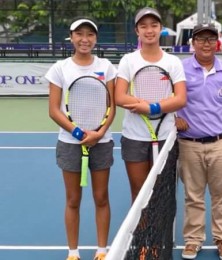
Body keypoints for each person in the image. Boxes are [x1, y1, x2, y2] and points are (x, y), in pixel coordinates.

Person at [46, 17, 116, 260]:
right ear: (72, 37)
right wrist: (78, 133)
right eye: (80, 34)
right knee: (73, 199)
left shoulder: (106, 67)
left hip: (101, 142)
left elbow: (112, 106)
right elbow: (54, 109)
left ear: (95, 38)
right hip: (69, 143)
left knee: (101, 197)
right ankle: (73, 252)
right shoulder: (60, 68)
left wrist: (99, 133)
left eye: (90, 34)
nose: (85, 39)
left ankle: (102, 250)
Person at [176, 23, 222, 260]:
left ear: (217, 42)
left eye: (210, 39)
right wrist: (174, 117)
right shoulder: (180, 69)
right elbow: (167, 98)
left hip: (221, 143)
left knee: (221, 195)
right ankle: (193, 240)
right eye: (200, 39)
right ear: (192, 42)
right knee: (192, 196)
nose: (206, 43)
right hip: (188, 144)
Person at [114, 7, 186, 203]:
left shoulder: (173, 62)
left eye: (154, 25)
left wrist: (153, 108)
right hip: (134, 137)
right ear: (137, 31)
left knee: (164, 194)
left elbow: (180, 98)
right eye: (143, 26)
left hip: (166, 137)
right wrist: (141, 104)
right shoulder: (128, 60)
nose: (149, 30)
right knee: (139, 194)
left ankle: (162, 235)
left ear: (160, 28)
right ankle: (141, 234)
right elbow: (119, 96)